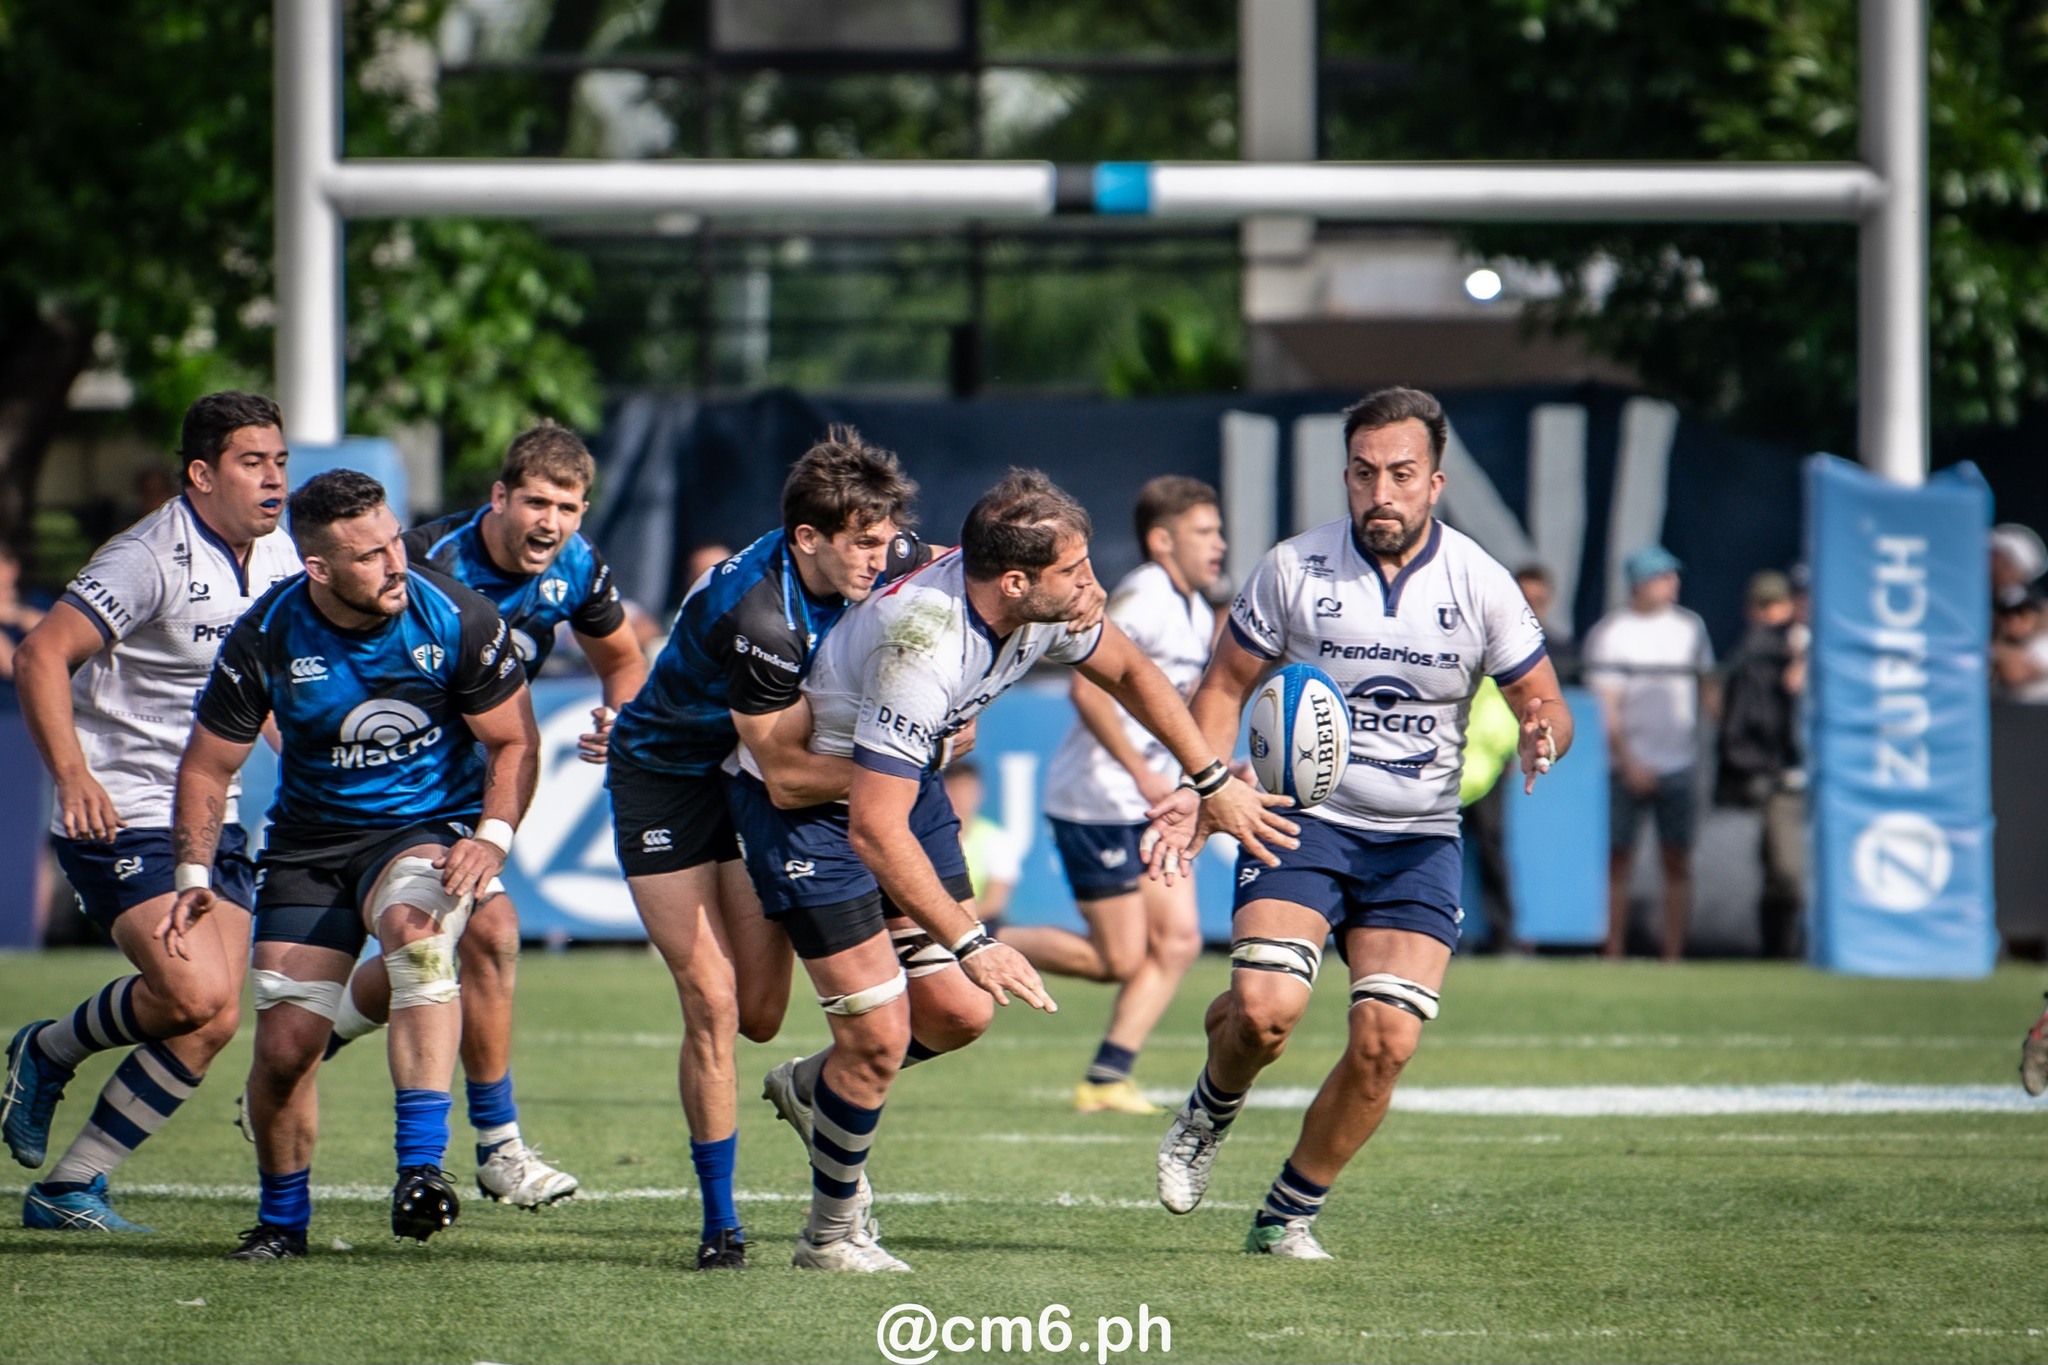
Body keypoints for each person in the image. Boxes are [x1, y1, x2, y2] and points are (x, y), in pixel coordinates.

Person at [733, 468, 1294, 1272]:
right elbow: (873, 826)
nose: (1093, 586)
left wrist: (1208, 781)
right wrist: (975, 940)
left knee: (959, 1013)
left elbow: (1133, 673)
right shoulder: (921, 646)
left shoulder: (1040, 604)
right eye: (1077, 571)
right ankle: (830, 1234)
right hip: (816, 813)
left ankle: (814, 1085)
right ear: (1016, 580)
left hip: (898, 785)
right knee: (880, 1034)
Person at [1149, 386, 1569, 1260]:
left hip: (1418, 840)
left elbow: (1546, 700)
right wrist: (1198, 784)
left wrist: (1542, 733)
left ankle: (1288, 1211)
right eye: (1365, 472)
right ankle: (1212, 1105)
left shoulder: (1481, 583)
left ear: (1436, 482)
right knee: (1263, 1015)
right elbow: (1224, 684)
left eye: (1401, 475)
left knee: (1386, 1040)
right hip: (1304, 818)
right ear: (1346, 474)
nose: (1381, 492)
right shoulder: (1295, 569)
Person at [167, 470, 538, 1260]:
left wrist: (491, 835)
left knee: (416, 932)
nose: (394, 563)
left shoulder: (457, 616)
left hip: (422, 824)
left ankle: (419, 1169)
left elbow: (513, 739)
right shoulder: (267, 634)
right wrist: (195, 874)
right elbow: (205, 765)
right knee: (285, 1048)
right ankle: (281, 1223)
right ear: (319, 568)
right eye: (368, 555)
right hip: (308, 844)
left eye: (394, 540)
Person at [605, 428, 937, 1271]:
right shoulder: (759, 611)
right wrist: (908, 749)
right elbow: (790, 773)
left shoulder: (874, 543)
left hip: (741, 771)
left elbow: (954, 560)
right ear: (807, 539)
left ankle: (807, 1079)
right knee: (715, 1003)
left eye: (881, 539)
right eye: (861, 544)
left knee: (759, 1015)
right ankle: (722, 1225)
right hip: (668, 779)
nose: (878, 557)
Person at [291, 424, 647, 1208]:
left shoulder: (578, 566)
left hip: (485, 776)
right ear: (498, 497)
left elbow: (622, 657)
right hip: (408, 785)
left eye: (569, 506)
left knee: (463, 936)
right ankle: (496, 1146)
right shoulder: (420, 561)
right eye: (536, 502)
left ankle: (313, 1055)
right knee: (479, 933)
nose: (551, 522)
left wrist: (621, 715)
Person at [0, 391, 299, 1233]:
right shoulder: (149, 555)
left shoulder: (279, 553)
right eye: (252, 461)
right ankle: (48, 1049)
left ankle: (70, 1183)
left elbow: (265, 684)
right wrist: (72, 775)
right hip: (122, 807)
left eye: (279, 460)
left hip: (213, 810)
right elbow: (40, 655)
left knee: (212, 1015)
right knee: (196, 986)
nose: (273, 478)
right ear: (202, 474)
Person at [998, 475, 1224, 1114]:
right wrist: (1143, 773)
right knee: (1118, 959)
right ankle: (980, 934)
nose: (1219, 545)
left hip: (1146, 806)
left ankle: (1107, 1076)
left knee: (1179, 942)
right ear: (1161, 540)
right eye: (1204, 532)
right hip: (1097, 800)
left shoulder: (1196, 609)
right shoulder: (1146, 597)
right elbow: (1088, 688)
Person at [1583, 544, 1714, 962]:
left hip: (1679, 761)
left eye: (1672, 576)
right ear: (1640, 585)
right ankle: (1612, 953)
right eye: (1663, 577)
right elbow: (1607, 707)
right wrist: (1629, 762)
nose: (1672, 584)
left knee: (1676, 859)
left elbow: (1708, 688)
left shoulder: (1690, 628)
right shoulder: (1612, 634)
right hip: (1627, 766)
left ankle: (1672, 955)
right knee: (1617, 861)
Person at [1715, 570, 1807, 958]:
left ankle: (1787, 950)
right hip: (1780, 773)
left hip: (1826, 771)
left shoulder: (1813, 644)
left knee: (1787, 870)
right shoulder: (1760, 652)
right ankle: (1780, 952)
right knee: (1783, 870)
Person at [944, 761, 1021, 923]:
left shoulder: (995, 838)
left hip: (980, 925)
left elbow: (994, 903)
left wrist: (953, 924)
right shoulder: (924, 838)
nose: (959, 796)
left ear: (979, 792)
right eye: (953, 788)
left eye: (966, 789)